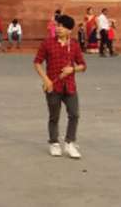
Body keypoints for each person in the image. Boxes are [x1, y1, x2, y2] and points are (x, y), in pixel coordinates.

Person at [34, 14, 88, 159]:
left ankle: (70, 143)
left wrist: (72, 69)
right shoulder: (47, 43)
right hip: (53, 86)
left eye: (62, 26)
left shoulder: (75, 45)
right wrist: (46, 80)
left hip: (70, 86)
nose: (58, 28)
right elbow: (37, 62)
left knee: (74, 114)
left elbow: (83, 65)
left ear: (69, 30)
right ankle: (54, 142)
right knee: (54, 116)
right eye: (57, 25)